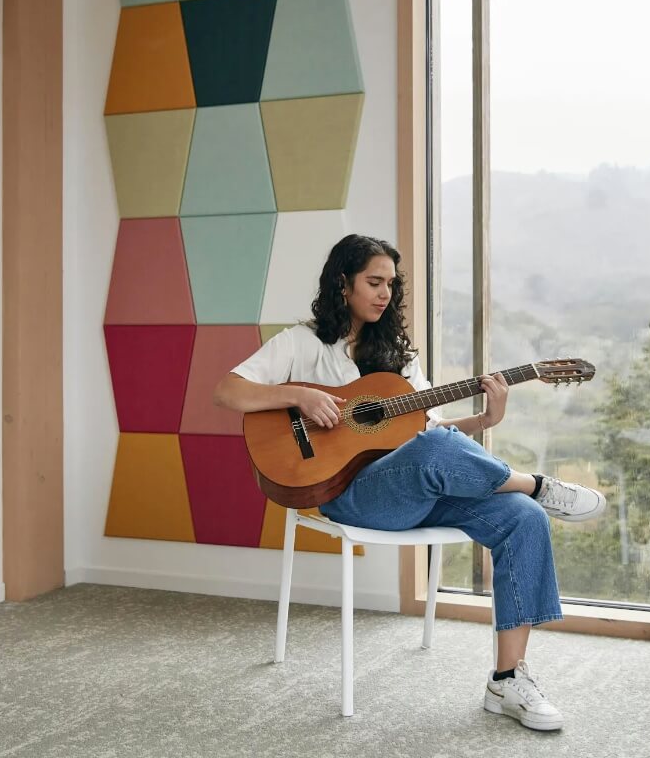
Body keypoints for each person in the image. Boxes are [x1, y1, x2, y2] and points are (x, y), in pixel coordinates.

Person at [213, 234, 607, 731]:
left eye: (390, 285)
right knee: (445, 456)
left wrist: (484, 423)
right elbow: (227, 391)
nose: (384, 294)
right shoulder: (301, 342)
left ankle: (508, 679)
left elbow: (434, 439)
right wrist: (299, 395)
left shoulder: (399, 356)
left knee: (522, 518)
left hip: (418, 488)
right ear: (343, 283)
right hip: (350, 495)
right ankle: (537, 484)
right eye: (373, 282)